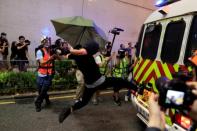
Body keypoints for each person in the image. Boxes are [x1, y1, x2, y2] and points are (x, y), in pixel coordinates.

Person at [58, 40, 137, 123]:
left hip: (89, 85)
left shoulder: (75, 56)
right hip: (99, 81)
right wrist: (71, 49)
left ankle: (70, 109)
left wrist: (66, 51)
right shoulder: (86, 54)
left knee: (83, 102)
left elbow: (67, 56)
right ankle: (137, 89)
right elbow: (83, 51)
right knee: (120, 81)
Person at [34, 36, 59, 112]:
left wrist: (56, 54)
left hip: (49, 74)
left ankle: (38, 103)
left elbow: (60, 59)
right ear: (42, 43)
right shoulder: (39, 51)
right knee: (40, 90)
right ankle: (47, 99)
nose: (46, 42)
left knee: (44, 90)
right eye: (44, 41)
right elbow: (41, 62)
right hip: (41, 74)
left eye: (47, 41)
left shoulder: (51, 51)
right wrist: (50, 58)